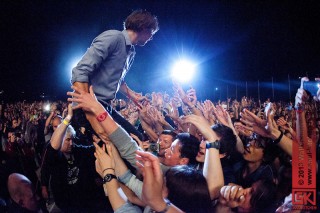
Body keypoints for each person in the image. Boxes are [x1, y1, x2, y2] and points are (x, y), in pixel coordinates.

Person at [71, 9, 159, 141]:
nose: (151, 38)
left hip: (104, 106)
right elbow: (80, 71)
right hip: (87, 109)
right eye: (151, 33)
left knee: (137, 139)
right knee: (113, 150)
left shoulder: (131, 51)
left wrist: (132, 95)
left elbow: (118, 79)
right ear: (143, 27)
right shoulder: (114, 37)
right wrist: (90, 113)